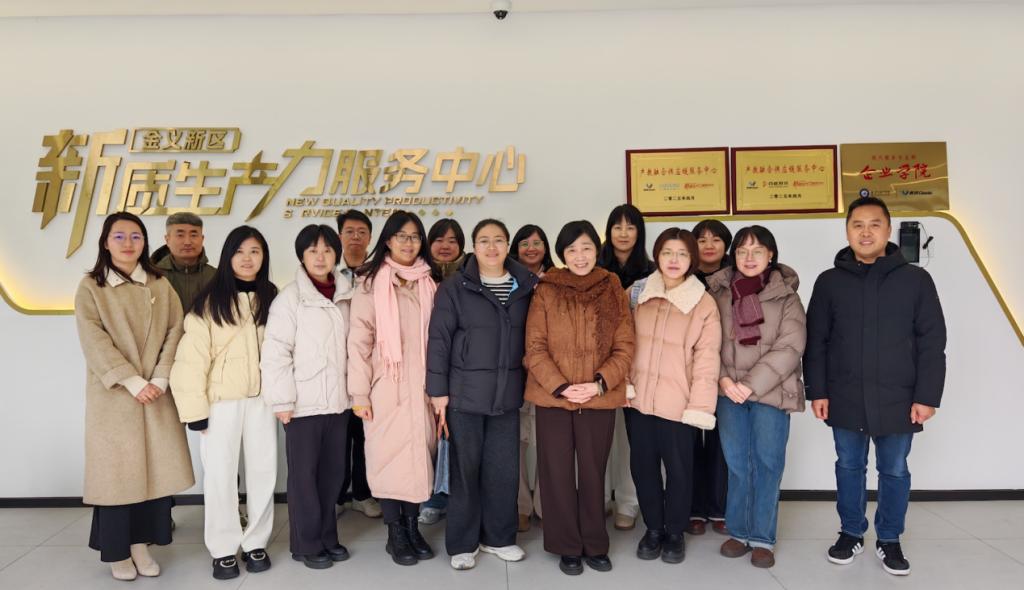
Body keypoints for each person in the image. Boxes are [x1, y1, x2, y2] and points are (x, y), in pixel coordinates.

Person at [804, 197, 946, 577]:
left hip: (899, 397)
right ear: (847, 230)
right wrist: (817, 391)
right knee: (849, 466)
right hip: (845, 394)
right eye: (857, 225)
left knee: (894, 469)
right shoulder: (829, 282)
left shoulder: (916, 280)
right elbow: (816, 342)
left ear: (888, 229)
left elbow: (932, 341)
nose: (865, 232)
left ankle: (889, 537)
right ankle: (851, 532)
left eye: (874, 224)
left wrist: (927, 396)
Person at [74, 211, 194, 581]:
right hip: (115, 397)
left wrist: (160, 376)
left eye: (136, 236)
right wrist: (131, 381)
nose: (128, 243)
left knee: (152, 477)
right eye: (120, 236)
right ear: (105, 242)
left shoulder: (159, 284)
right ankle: (118, 553)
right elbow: (93, 340)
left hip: (155, 393)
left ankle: (141, 545)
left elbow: (176, 329)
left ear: (145, 242)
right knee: (117, 479)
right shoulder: (91, 288)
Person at [426, 219, 539, 570]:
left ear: (508, 246)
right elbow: (439, 341)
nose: (492, 247)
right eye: (484, 241)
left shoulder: (527, 285)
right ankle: (463, 543)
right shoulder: (454, 287)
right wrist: (437, 392)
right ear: (474, 247)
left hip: (507, 394)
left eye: (499, 240)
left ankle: (499, 538)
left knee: (503, 470)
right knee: (465, 471)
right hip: (464, 395)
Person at [524, 220, 635, 576]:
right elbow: (534, 346)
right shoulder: (547, 288)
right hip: (554, 397)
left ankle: (595, 543)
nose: (580, 256)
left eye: (586, 248)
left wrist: (600, 383)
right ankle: (566, 545)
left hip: (597, 397)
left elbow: (625, 344)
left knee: (592, 471)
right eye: (572, 249)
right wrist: (559, 386)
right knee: (555, 472)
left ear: (596, 250)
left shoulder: (611, 285)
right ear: (562, 254)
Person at [169, 226, 279, 580]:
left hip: (262, 402)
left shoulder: (273, 298)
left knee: (264, 473)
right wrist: (195, 413)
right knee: (220, 477)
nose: (247, 259)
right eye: (239, 252)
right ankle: (223, 549)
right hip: (220, 404)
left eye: (255, 252)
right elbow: (190, 361)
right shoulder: (209, 301)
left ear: (264, 257)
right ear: (228, 256)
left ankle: (256, 542)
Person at [707, 225, 806, 569]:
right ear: (733, 255)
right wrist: (723, 379)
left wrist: (749, 384)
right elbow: (707, 342)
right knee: (737, 464)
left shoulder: (787, 296)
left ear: (770, 255)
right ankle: (738, 531)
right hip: (728, 392)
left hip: (771, 393)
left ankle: (762, 537)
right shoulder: (719, 293)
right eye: (742, 251)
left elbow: (790, 346)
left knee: (767, 463)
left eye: (757, 251)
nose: (749, 258)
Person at [348, 211, 441, 566]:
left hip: (423, 387)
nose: (408, 242)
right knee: (387, 459)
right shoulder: (370, 284)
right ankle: (394, 532)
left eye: (415, 236)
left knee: (419, 458)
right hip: (385, 386)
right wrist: (359, 394)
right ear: (388, 240)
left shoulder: (429, 282)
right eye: (401, 236)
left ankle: (412, 527)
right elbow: (359, 343)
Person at [261, 225, 355, 570]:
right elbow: (276, 352)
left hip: (339, 403)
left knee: (332, 476)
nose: (320, 257)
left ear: (336, 255)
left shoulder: (347, 294)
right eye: (313, 250)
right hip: (302, 405)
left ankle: (328, 537)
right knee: (304, 479)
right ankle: (306, 543)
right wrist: (282, 401)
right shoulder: (290, 299)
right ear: (301, 255)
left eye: (327, 250)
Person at [625, 227, 721, 565]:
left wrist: (699, 406)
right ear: (657, 256)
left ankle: (675, 531)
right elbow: (620, 342)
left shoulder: (703, 303)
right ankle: (653, 528)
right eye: (667, 252)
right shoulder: (637, 293)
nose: (674, 260)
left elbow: (707, 360)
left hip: (679, 405)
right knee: (643, 468)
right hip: (638, 400)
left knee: (680, 470)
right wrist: (624, 383)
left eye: (682, 253)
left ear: (692, 259)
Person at [598, 204, 654, 531]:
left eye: (630, 227)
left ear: (639, 232)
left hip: (637, 364)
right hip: (597, 366)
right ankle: (600, 498)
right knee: (599, 437)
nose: (623, 233)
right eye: (616, 227)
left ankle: (629, 503)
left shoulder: (652, 272)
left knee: (631, 438)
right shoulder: (593, 268)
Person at [687, 219, 734, 536]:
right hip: (687, 373)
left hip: (726, 372)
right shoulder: (682, 277)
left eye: (716, 239)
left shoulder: (737, 278)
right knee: (688, 443)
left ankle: (719, 507)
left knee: (721, 444)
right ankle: (693, 507)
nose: (708, 245)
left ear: (726, 245)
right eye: (702, 239)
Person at [334, 209, 382, 520]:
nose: (355, 237)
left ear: (370, 237)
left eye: (362, 232)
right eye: (349, 231)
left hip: (368, 367)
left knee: (365, 435)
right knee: (339, 438)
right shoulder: (328, 272)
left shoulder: (378, 273)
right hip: (337, 366)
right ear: (340, 235)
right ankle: (338, 495)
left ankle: (364, 494)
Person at [508, 223, 555, 532]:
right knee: (515, 443)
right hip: (513, 370)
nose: (531, 248)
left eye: (537, 242)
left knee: (547, 443)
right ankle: (521, 506)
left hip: (548, 371)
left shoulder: (557, 280)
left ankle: (546, 505)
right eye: (525, 243)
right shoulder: (505, 279)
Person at [419, 217, 465, 523]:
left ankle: (455, 498)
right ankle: (431, 499)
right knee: (428, 438)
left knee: (455, 436)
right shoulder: (417, 275)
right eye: (439, 239)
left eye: (452, 240)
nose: (446, 246)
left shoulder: (471, 276)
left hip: (460, 370)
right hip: (423, 367)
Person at [151, 212, 217, 311]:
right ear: (167, 240)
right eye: (180, 235)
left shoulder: (216, 277)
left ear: (202, 239)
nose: (187, 242)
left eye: (193, 235)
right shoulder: (152, 275)